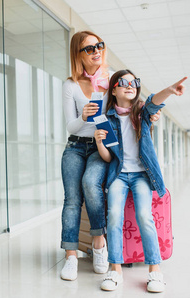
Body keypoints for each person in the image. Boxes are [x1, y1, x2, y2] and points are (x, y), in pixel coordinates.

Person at [60, 31, 160, 281]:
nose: (96, 51)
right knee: (72, 199)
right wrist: (83, 117)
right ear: (78, 54)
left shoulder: (109, 81)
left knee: (90, 184)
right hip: (75, 146)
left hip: (101, 148)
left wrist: (151, 115)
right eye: (89, 48)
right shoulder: (70, 85)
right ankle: (70, 256)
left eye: (99, 46)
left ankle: (98, 244)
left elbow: (130, 102)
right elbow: (70, 127)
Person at [94, 69, 186, 292]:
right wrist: (99, 143)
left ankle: (155, 271)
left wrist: (170, 91)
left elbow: (154, 101)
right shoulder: (106, 119)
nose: (130, 85)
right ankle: (114, 269)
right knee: (113, 215)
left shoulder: (142, 113)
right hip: (118, 175)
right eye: (123, 82)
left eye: (134, 82)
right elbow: (108, 157)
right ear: (113, 90)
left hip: (142, 175)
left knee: (145, 215)